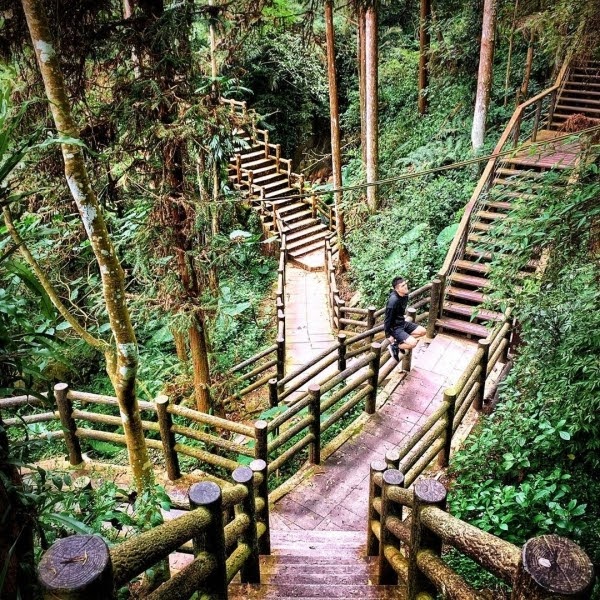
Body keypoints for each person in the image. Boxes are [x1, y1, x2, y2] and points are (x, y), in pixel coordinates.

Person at [384, 276, 427, 361]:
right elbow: (387, 319)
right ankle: (395, 346)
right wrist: (388, 335)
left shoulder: (405, 295)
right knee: (413, 343)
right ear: (397, 289)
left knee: (423, 331)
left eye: (405, 284)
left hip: (402, 323)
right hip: (395, 328)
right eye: (402, 286)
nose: (405, 286)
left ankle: (398, 342)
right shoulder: (393, 301)